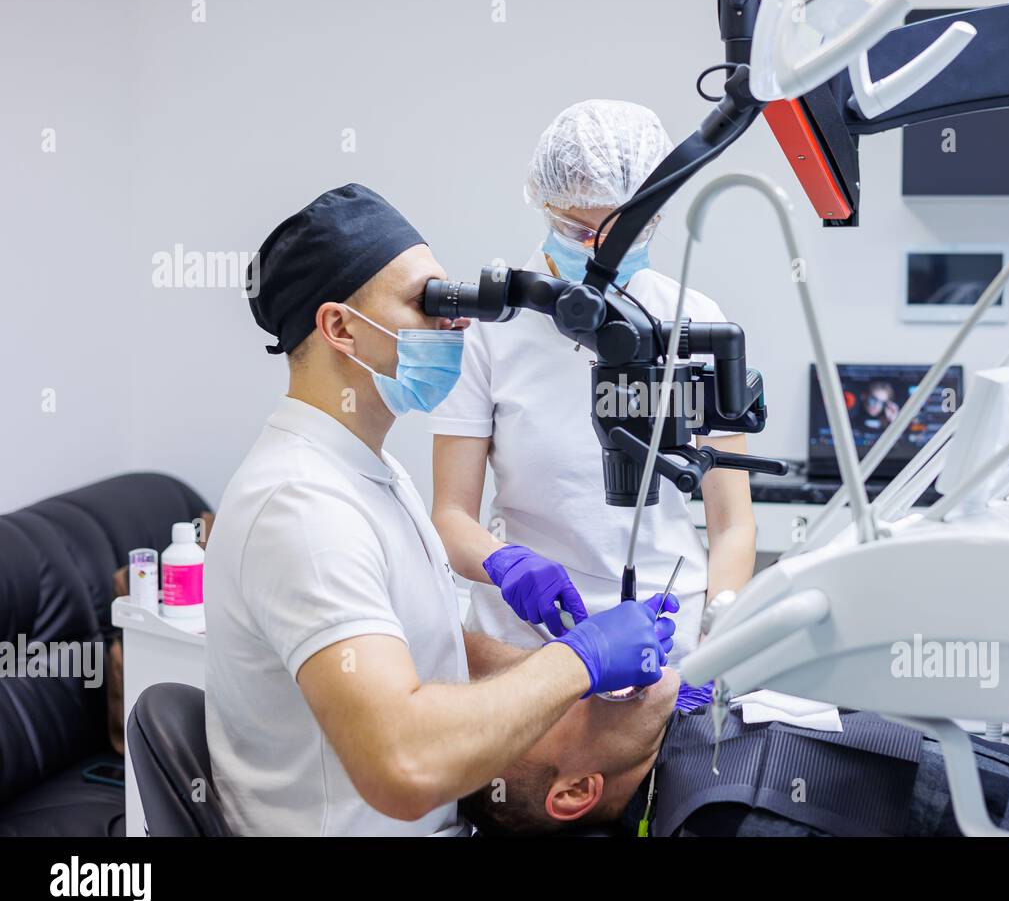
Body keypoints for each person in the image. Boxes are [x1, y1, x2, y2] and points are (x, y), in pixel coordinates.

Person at [203, 183, 677, 836]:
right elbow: (403, 765)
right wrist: (580, 661)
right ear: (340, 327)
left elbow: (425, 654)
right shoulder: (302, 509)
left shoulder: (369, 471)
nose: (457, 320)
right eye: (429, 301)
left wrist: (597, 685)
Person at [429, 100, 755, 660]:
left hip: (670, 630)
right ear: (546, 204)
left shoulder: (693, 317)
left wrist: (717, 638)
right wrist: (504, 563)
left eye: (629, 228)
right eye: (580, 230)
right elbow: (450, 516)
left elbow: (732, 524)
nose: (602, 251)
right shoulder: (491, 329)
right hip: (529, 638)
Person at [459, 670, 1009, 837]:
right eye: (558, 702)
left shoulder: (703, 728)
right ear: (574, 793)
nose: (584, 676)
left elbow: (934, 764)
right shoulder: (730, 822)